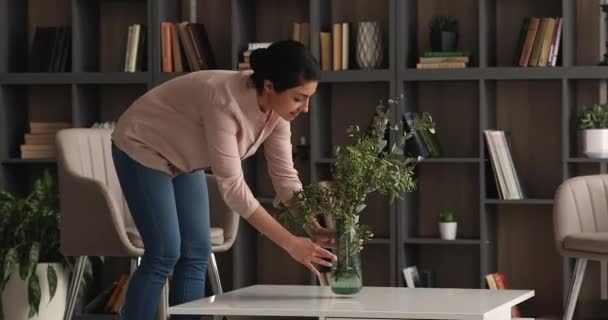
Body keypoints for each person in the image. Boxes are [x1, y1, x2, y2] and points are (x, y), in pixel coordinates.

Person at [110, 40, 337, 320]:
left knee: (196, 251)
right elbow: (233, 189)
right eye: (299, 97)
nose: (305, 108)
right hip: (142, 145)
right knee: (165, 252)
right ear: (269, 86)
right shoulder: (224, 102)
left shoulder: (278, 113)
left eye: (309, 97)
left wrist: (311, 226)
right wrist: (291, 243)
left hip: (183, 160)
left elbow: (285, 177)